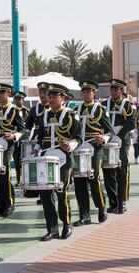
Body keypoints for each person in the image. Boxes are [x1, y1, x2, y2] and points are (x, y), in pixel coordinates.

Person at [33, 83, 82, 241]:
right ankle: (52, 229)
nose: (52, 99)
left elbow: (78, 138)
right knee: (46, 195)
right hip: (46, 158)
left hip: (63, 159)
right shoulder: (43, 116)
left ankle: (66, 225)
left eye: (55, 96)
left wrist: (70, 145)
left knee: (62, 193)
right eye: (50, 96)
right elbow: (40, 138)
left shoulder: (71, 115)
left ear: (63, 98)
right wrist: (36, 147)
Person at [73, 80, 113, 227]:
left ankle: (101, 207)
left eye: (88, 91)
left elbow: (110, 130)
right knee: (79, 181)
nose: (85, 94)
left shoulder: (100, 109)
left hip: (95, 148)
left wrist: (104, 138)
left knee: (93, 178)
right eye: (83, 91)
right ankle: (84, 215)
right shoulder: (76, 109)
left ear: (94, 93)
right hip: (79, 148)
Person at [0, 84, 25, 217]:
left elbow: (23, 130)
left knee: (4, 172)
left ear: (9, 94)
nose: (0, 95)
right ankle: (0, 206)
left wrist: (14, 136)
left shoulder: (14, 110)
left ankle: (9, 204)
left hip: (7, 145)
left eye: (3, 92)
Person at [101, 79, 136, 214]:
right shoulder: (104, 104)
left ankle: (121, 202)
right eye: (112, 89)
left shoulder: (128, 105)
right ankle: (113, 202)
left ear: (121, 91)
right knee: (108, 171)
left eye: (116, 89)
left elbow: (132, 122)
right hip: (107, 141)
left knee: (121, 172)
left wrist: (118, 130)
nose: (114, 92)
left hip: (122, 142)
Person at [25, 82, 50, 202]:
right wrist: (28, 131)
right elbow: (28, 123)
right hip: (37, 138)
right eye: (40, 93)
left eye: (44, 93)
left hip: (49, 138)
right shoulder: (35, 108)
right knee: (37, 166)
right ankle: (38, 191)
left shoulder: (52, 108)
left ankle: (47, 192)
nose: (42, 95)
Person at [13, 91, 30, 185]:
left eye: (19, 99)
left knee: (25, 158)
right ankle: (19, 179)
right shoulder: (12, 110)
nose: (17, 101)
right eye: (16, 99)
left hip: (25, 139)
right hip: (15, 138)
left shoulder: (27, 111)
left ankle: (25, 178)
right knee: (16, 159)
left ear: (23, 100)